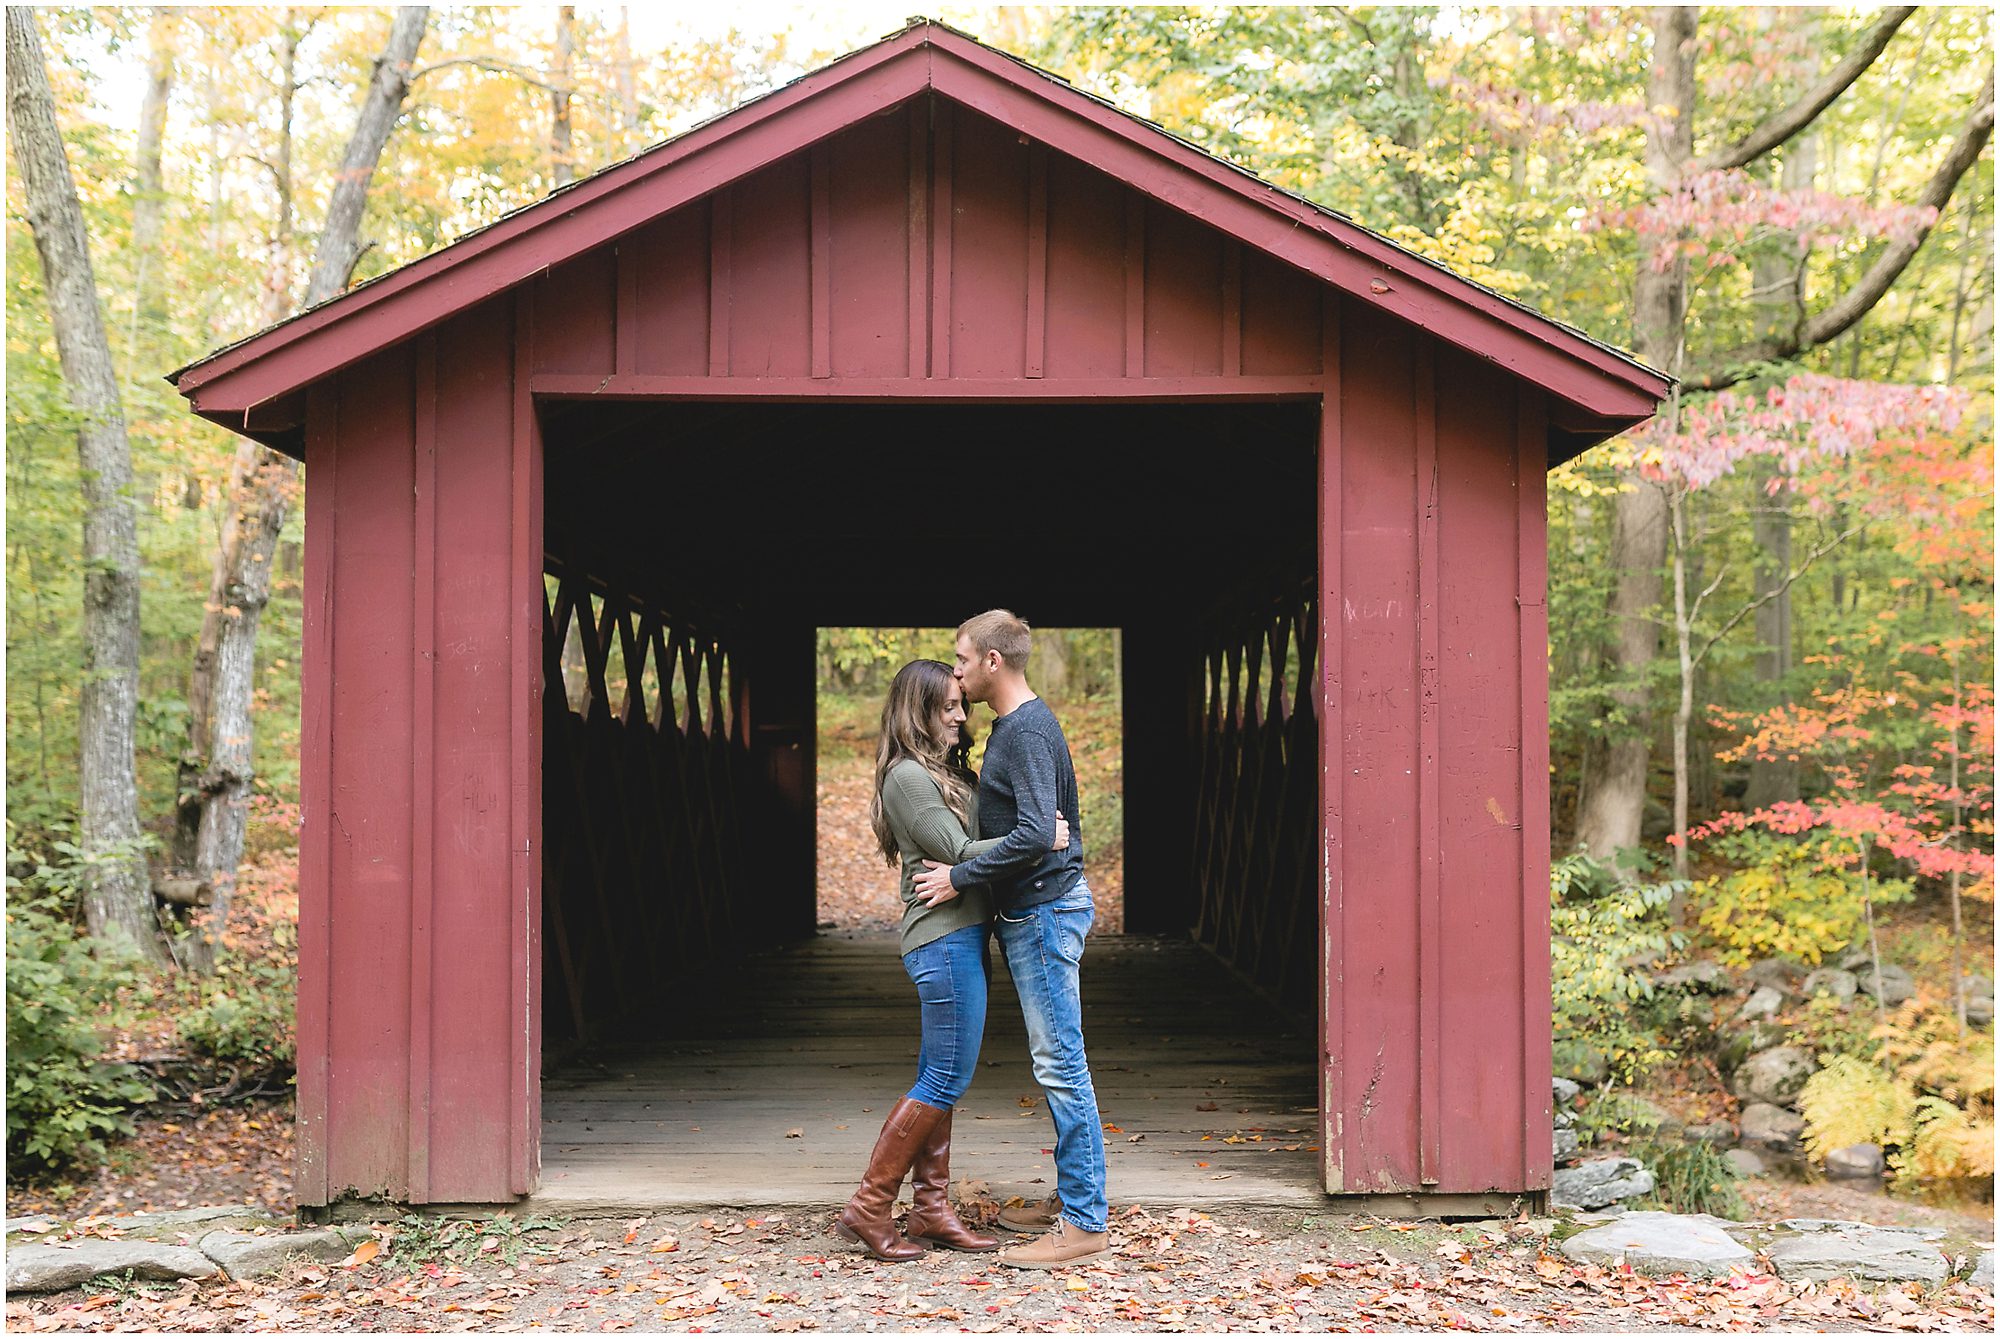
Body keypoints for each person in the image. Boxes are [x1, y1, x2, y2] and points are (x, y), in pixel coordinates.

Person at [834, 658, 1070, 1262]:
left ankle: (932, 1211)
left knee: (943, 1077)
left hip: (962, 934)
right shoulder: (908, 777)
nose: (962, 717)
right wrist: (1040, 834)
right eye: (948, 709)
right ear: (918, 712)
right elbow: (961, 851)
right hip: (941, 939)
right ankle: (869, 1204)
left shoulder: (938, 771)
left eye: (962, 705)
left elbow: (969, 856)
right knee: (943, 1079)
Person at [910, 609, 1110, 1269]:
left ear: (993, 661)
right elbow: (1033, 828)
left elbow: (1033, 833)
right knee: (1057, 1060)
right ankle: (1072, 1198)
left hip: (1045, 912)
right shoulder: (1016, 725)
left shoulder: (1024, 730)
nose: (957, 669)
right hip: (1035, 910)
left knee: (1061, 1062)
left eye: (962, 658)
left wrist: (959, 874)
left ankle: (1084, 1220)